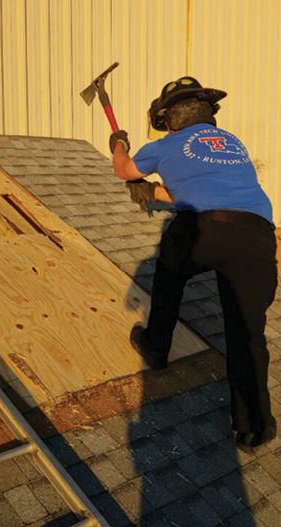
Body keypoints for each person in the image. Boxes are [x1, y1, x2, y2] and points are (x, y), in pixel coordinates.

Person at [109, 76, 278, 453]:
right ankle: (255, 427)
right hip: (257, 232)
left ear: (167, 118)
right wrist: (152, 191)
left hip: (202, 228)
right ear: (208, 114)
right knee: (247, 333)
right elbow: (197, 186)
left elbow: (125, 170)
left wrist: (119, 145)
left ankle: (156, 346)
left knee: (169, 272)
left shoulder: (167, 144)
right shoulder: (232, 143)